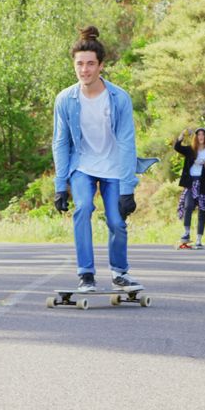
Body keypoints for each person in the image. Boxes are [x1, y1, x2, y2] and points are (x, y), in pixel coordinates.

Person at [51, 26, 143, 293]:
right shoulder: (65, 99)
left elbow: (127, 143)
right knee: (82, 209)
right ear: (74, 65)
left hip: (114, 166)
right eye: (79, 64)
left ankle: (119, 273)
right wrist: (60, 185)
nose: (84, 70)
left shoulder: (118, 98)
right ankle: (86, 274)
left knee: (116, 220)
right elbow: (60, 142)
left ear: (101, 65)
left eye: (90, 64)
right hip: (82, 166)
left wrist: (127, 188)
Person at [173, 127, 205, 248]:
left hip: (204, 183)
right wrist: (181, 135)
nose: (201, 137)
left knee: (202, 211)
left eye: (203, 135)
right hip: (191, 182)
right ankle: (186, 232)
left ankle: (199, 239)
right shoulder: (191, 150)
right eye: (199, 135)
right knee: (188, 205)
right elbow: (177, 147)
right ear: (196, 137)